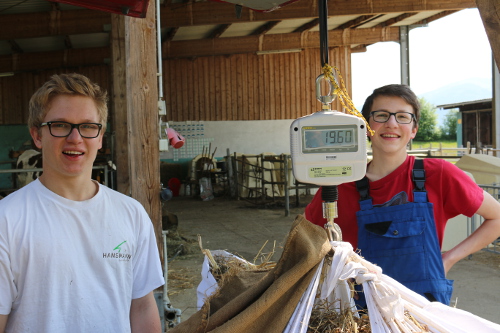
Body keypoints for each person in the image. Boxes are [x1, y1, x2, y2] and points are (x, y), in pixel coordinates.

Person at [305, 84, 500, 305]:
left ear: (414, 129)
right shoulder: (338, 186)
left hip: (421, 312)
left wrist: (448, 259)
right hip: (356, 312)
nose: (391, 123)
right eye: (381, 115)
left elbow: (497, 217)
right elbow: (304, 240)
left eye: (402, 116)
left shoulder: (438, 174)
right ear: (367, 127)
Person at [0, 73, 165, 332]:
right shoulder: (7, 219)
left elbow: (142, 305)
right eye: (60, 125)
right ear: (37, 136)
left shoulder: (131, 214)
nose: (75, 138)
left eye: (88, 126)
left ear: (100, 137)